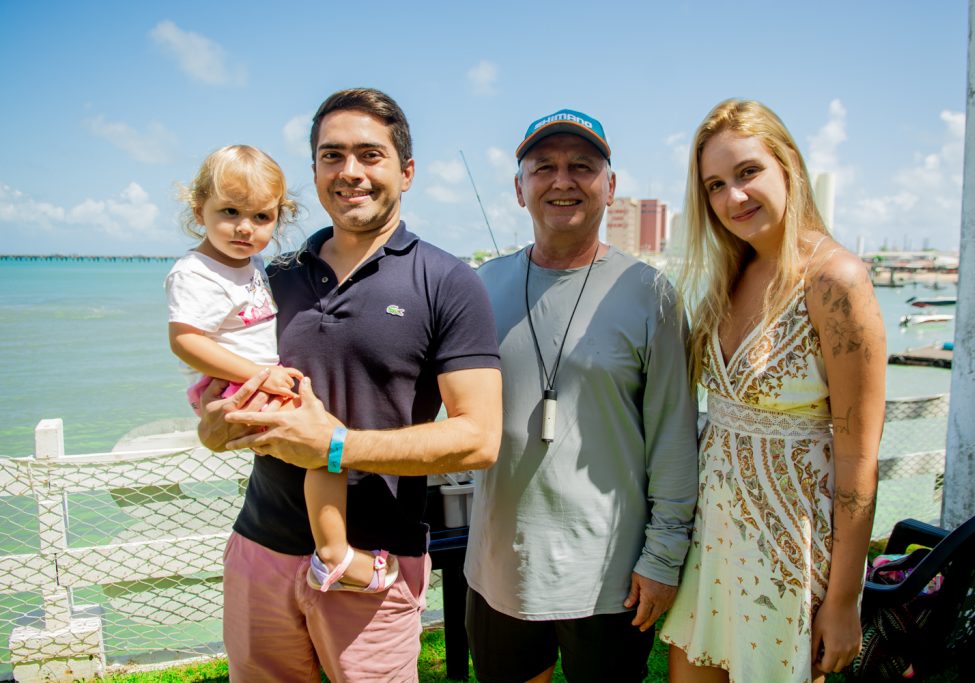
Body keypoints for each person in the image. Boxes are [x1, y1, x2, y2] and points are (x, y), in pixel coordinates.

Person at [196, 88, 502, 682]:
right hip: (260, 547)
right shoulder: (271, 279)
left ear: (406, 171)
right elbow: (220, 404)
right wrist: (215, 429)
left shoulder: (448, 281)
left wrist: (335, 447)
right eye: (332, 156)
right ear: (313, 171)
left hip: (371, 564)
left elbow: (479, 438)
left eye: (370, 154)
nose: (350, 172)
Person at [464, 109, 700, 683]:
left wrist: (663, 558)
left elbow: (674, 436)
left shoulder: (652, 295)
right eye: (543, 167)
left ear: (610, 187)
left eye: (582, 167)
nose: (562, 180)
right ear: (519, 188)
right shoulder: (477, 288)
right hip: (499, 566)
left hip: (611, 575)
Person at [659, 99, 885, 683]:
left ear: (789, 166)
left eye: (748, 172)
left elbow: (859, 457)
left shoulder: (837, 280)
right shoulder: (730, 272)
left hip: (789, 553)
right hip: (712, 544)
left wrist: (843, 601)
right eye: (715, 184)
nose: (733, 197)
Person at [165, 144, 399, 597]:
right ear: (199, 210)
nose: (244, 229)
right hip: (240, 382)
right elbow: (186, 340)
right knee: (329, 448)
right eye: (230, 212)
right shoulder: (195, 272)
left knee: (323, 450)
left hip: (248, 381)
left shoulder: (248, 266)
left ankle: (327, 550)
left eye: (261, 218)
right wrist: (260, 374)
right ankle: (335, 555)